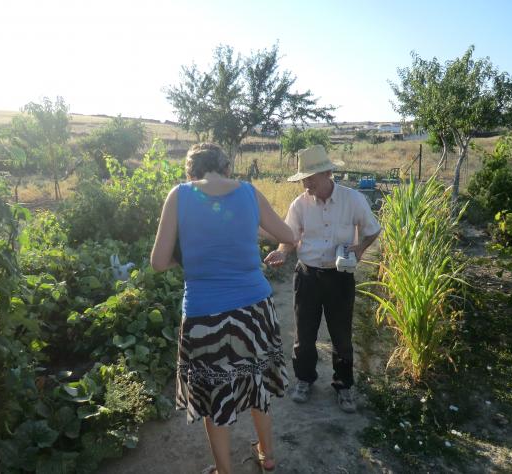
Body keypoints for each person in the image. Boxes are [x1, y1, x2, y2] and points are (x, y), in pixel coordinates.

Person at [151, 143, 295, 474]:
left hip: (204, 314)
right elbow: (288, 235)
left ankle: (225, 471)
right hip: (255, 308)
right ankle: (268, 456)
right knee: (256, 382)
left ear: (191, 172)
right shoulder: (248, 192)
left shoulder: (179, 195)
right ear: (226, 167)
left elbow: (158, 262)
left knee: (214, 395)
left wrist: (189, 257)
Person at [264, 144, 381, 413]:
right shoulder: (299, 204)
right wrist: (282, 252)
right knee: (304, 334)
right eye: (303, 179)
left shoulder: (353, 200)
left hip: (339, 278)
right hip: (307, 276)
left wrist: (360, 249)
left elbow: (373, 229)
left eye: (310, 178)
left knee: (341, 336)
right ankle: (304, 380)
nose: (306, 184)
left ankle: (344, 385)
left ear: (328, 173)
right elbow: (290, 237)